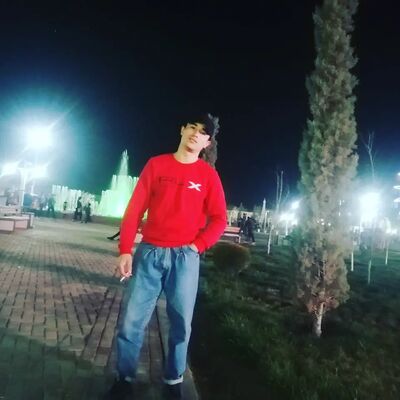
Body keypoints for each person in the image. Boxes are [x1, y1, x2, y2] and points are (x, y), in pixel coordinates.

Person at [104, 114, 227, 400]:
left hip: (185, 258)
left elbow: (220, 218)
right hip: (149, 253)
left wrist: (198, 246)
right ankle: (124, 379)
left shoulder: (208, 175)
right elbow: (135, 209)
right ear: (182, 130)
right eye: (192, 127)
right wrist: (125, 249)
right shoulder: (157, 165)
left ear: (208, 143)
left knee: (181, 324)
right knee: (132, 321)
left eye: (203, 132)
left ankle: (173, 381)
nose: (196, 134)